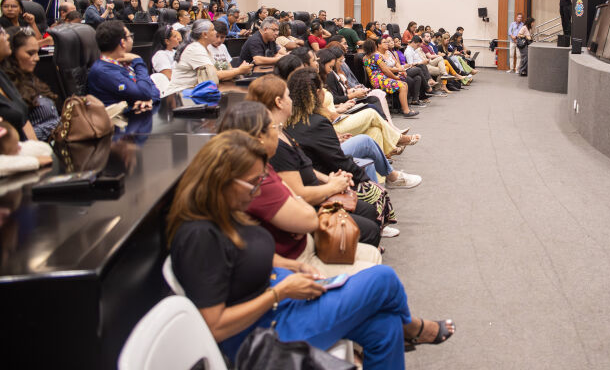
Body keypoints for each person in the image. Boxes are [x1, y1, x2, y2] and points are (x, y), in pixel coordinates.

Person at [166, 130, 454, 365]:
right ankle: (413, 327)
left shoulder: (228, 213)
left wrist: (289, 265)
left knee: (384, 328)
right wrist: (279, 292)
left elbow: (244, 257)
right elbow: (214, 326)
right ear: (223, 180)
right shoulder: (199, 237)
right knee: (384, 279)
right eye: (254, 183)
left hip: (282, 304)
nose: (258, 190)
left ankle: (403, 328)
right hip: (265, 332)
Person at [215, 100, 384, 275]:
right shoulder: (260, 180)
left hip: (300, 246)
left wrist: (326, 184)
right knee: (379, 269)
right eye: (273, 127)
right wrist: (326, 189)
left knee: (371, 247)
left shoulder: (263, 166)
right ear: (260, 138)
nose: (277, 132)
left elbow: (298, 191)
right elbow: (307, 214)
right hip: (300, 258)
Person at [247, 75, 387, 245]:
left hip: (317, 188)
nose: (291, 100)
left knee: (368, 211)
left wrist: (329, 179)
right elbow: (299, 193)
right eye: (288, 96)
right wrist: (332, 187)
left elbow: (303, 165)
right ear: (279, 102)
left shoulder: (282, 131)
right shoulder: (275, 143)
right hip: (311, 204)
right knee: (370, 229)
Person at [1, 28, 60, 141]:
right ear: (12, 53)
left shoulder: (31, 78)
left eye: (37, 52)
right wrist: (56, 128)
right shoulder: (7, 86)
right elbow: (20, 135)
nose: (37, 58)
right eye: (30, 53)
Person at [87, 21, 158, 110]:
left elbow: (154, 89)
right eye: (130, 36)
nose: (131, 39)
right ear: (122, 42)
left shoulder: (125, 62)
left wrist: (150, 100)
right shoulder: (103, 71)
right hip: (121, 118)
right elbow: (144, 93)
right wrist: (138, 61)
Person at [363, 39, 419, 118]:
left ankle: (403, 108)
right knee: (403, 85)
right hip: (381, 80)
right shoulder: (377, 56)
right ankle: (406, 111)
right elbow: (385, 70)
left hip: (374, 81)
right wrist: (395, 77)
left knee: (404, 84)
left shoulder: (364, 58)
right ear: (374, 47)